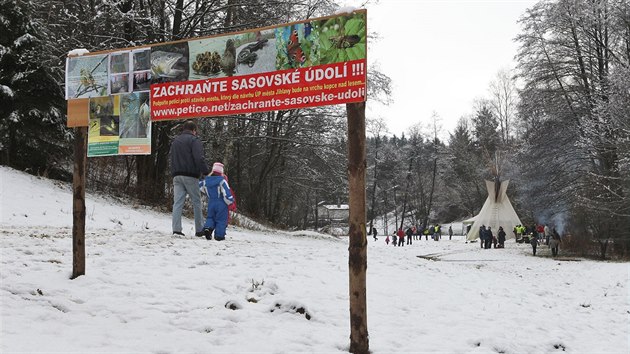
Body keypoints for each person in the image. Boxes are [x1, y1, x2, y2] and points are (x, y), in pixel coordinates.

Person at [170, 120, 209, 237]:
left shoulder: (175, 141)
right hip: (190, 175)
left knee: (177, 203)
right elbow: (198, 158)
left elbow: (172, 158)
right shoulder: (194, 140)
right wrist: (205, 171)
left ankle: (176, 229)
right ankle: (199, 229)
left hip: (177, 175)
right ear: (194, 130)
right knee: (196, 202)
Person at [200, 162, 234, 241]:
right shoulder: (222, 181)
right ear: (221, 172)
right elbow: (226, 192)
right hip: (221, 203)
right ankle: (219, 235)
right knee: (221, 219)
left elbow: (200, 187)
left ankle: (208, 228)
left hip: (211, 202)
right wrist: (230, 200)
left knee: (210, 217)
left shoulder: (206, 181)